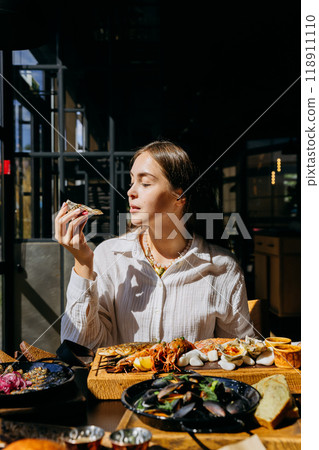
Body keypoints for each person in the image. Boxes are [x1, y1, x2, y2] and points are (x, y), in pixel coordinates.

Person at [56, 140, 255, 351]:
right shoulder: (109, 256)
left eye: (145, 183)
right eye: (132, 181)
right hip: (122, 384)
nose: (131, 192)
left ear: (180, 197)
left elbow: (239, 353)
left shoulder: (223, 268)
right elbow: (80, 347)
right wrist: (83, 263)